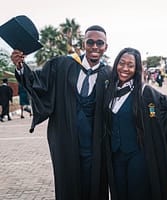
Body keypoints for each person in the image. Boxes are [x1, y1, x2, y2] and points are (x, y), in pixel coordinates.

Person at [11, 25, 111, 200]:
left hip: (96, 145)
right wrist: (20, 66)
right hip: (66, 140)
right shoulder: (63, 65)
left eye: (99, 43)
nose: (95, 46)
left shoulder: (110, 74)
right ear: (84, 44)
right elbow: (38, 83)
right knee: (68, 185)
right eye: (90, 42)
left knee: (94, 185)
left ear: (105, 47)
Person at [103, 47, 167, 200]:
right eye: (122, 63)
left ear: (136, 69)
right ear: (116, 65)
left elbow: (165, 120)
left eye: (130, 65)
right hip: (116, 158)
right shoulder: (108, 91)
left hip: (138, 158)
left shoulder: (146, 93)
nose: (125, 68)